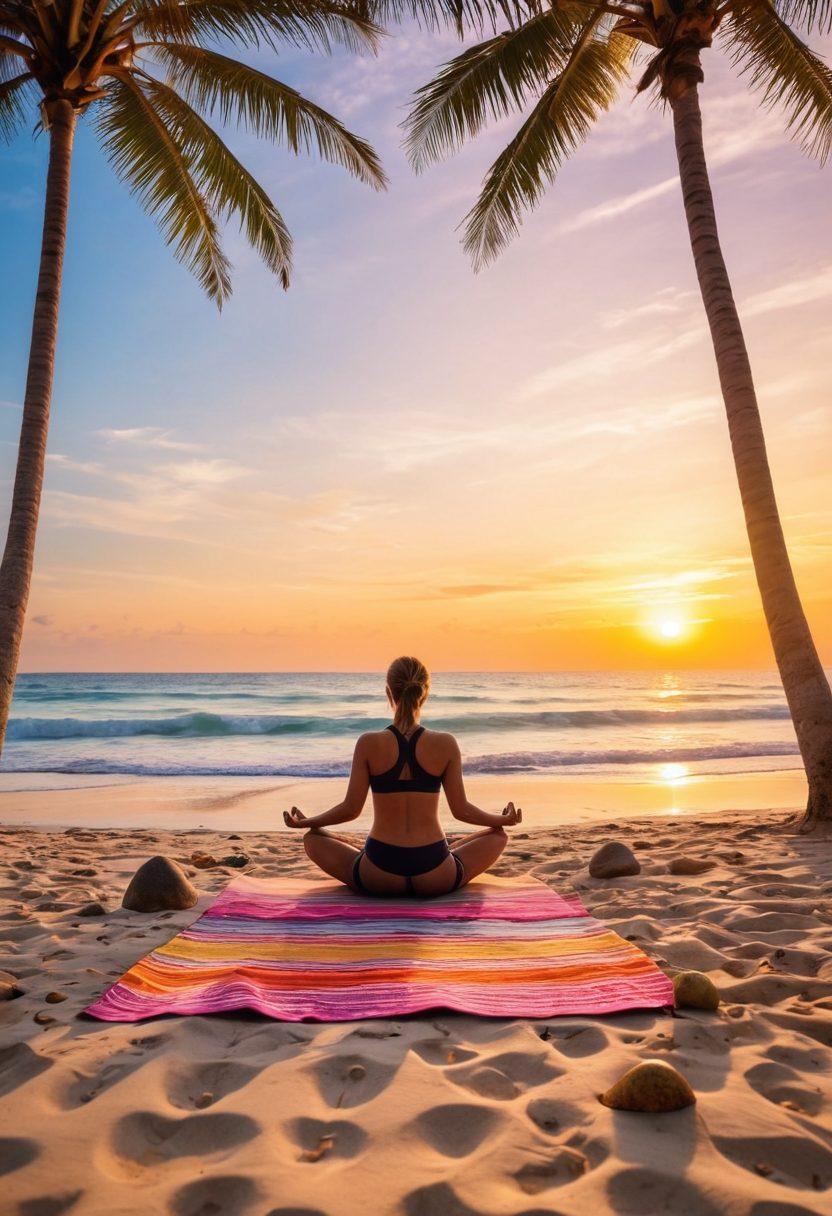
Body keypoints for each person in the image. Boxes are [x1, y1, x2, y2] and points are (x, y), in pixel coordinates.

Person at [283, 656, 522, 897]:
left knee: (313, 839)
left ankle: (355, 848)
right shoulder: (445, 743)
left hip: (378, 870)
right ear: (425, 693)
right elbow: (461, 810)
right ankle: (449, 851)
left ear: (389, 693)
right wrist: (501, 820)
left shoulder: (368, 743)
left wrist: (309, 822)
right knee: (496, 835)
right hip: (436, 870)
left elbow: (350, 809)